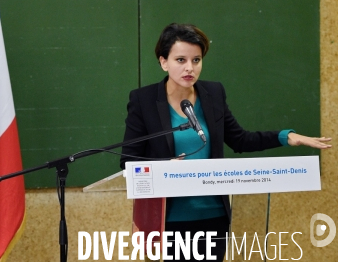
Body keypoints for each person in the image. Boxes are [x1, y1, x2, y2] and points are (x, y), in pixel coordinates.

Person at [120, 23, 331, 261]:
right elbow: (128, 160)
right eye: (181, 60)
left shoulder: (213, 94)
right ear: (163, 62)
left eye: (196, 60)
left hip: (214, 215)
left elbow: (240, 140)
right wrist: (163, 166)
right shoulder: (144, 100)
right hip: (168, 219)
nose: (190, 68)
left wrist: (286, 136)